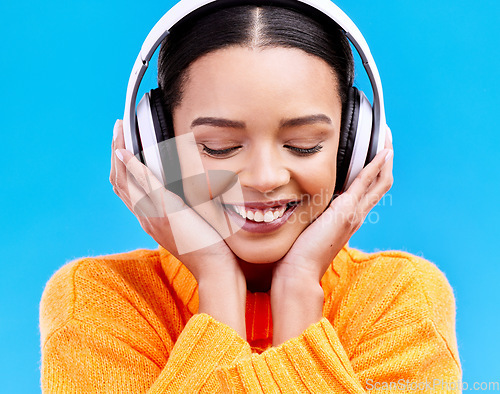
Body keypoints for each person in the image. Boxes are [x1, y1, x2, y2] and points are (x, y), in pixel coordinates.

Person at [39, 2, 461, 392]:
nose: (264, 178)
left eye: (304, 144)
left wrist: (298, 289)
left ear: (354, 147)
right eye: (219, 147)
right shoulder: (99, 301)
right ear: (157, 147)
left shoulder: (402, 299)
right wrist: (217, 284)